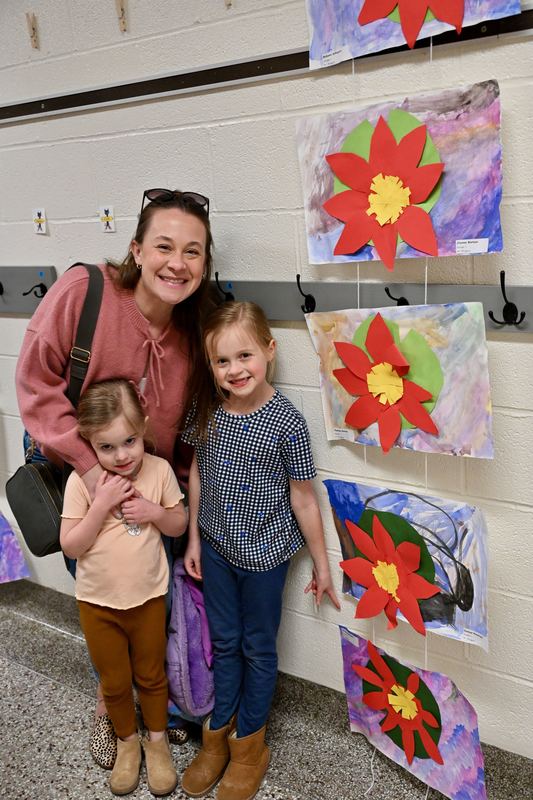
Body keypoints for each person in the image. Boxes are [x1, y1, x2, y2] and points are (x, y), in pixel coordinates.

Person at [15, 189, 216, 768]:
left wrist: (177, 511)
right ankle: (114, 717)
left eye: (193, 252)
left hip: (152, 498)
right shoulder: (87, 291)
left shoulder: (191, 331)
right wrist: (94, 474)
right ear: (136, 248)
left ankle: (153, 719)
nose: (177, 263)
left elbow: (186, 428)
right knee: (105, 606)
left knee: (146, 611)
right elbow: (36, 383)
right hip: (87, 488)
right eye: (164, 246)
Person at [180, 301, 340, 800]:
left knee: (257, 647)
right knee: (224, 643)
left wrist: (322, 562)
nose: (235, 370)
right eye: (222, 362)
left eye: (244, 355)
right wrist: (192, 539)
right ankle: (218, 736)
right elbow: (197, 474)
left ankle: (250, 744)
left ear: (269, 351)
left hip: (266, 557)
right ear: (211, 367)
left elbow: (304, 497)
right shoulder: (206, 410)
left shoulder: (286, 421)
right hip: (216, 547)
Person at [61, 379, 187, 796]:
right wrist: (98, 506)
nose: (121, 456)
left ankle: (157, 743)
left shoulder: (159, 471)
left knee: (152, 676)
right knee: (114, 682)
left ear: (144, 427)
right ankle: (127, 744)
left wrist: (152, 512)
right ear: (89, 445)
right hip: (97, 605)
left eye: (130, 441)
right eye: (106, 448)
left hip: (149, 598)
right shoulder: (83, 483)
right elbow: (71, 546)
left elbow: (179, 523)